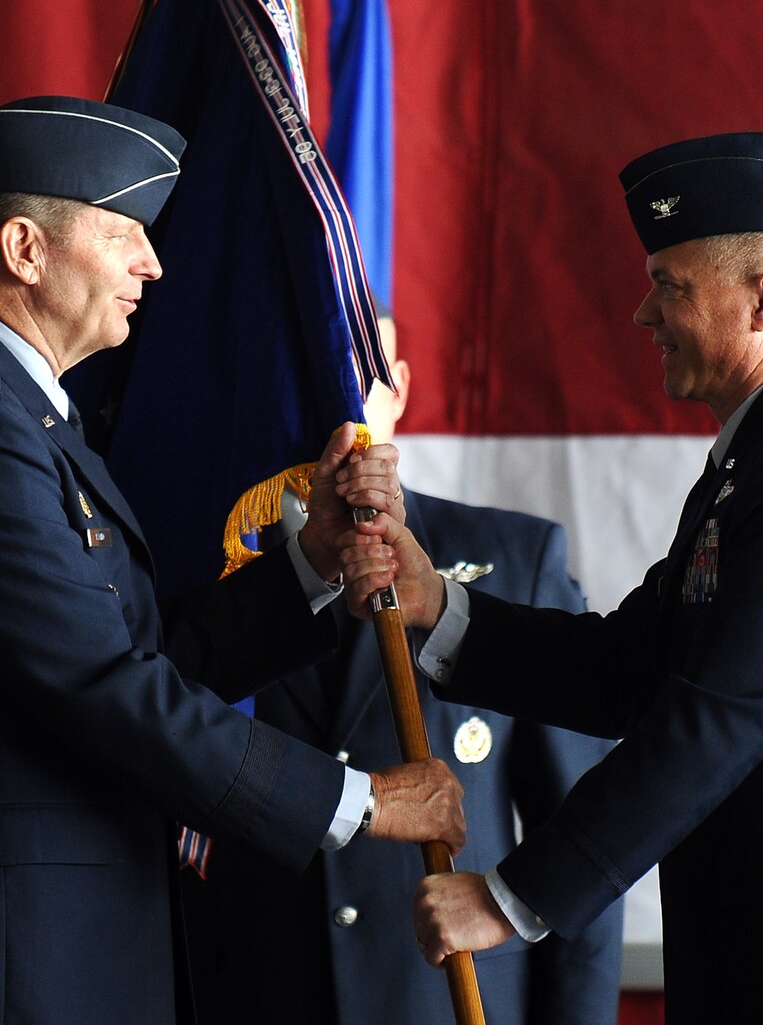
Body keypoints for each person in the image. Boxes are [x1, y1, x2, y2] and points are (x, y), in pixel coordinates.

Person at [340, 132, 763, 1024]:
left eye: (669, 285)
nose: (641, 314)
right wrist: (440, 606)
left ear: (762, 299)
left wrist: (509, 896)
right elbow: (634, 664)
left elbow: (712, 723)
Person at [0, 95, 466, 1025]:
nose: (153, 262)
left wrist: (309, 562)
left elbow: (141, 653)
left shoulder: (17, 413)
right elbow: (105, 688)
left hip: (61, 947)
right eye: (125, 231)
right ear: (24, 249)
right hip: (3, 968)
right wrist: (360, 801)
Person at [183, 315, 624, 1025]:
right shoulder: (212, 574)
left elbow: (582, 830)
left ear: (402, 387)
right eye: (315, 373)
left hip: (445, 1001)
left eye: (361, 371)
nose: (340, 401)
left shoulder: (513, 559)